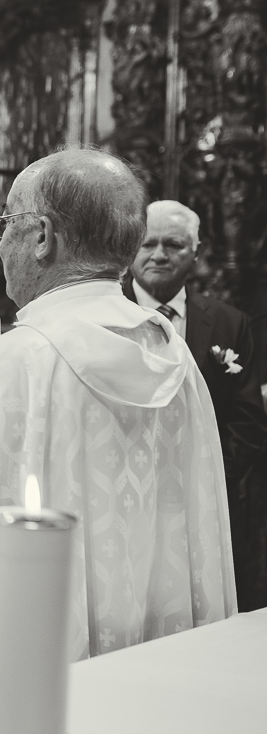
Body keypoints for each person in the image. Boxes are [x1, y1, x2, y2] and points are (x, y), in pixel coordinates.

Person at [0, 148, 237, 718]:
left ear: (42, 236)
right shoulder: (174, 355)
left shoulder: (20, 360)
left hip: (39, 665)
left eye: (7, 223)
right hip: (150, 647)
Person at [124, 200, 267, 611]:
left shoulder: (229, 322)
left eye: (174, 244)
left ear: (197, 253)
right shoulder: (106, 317)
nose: (159, 254)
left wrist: (204, 482)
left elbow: (248, 421)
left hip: (210, 505)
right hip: (126, 499)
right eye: (148, 243)